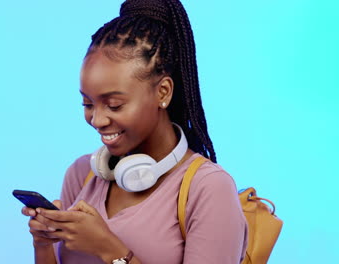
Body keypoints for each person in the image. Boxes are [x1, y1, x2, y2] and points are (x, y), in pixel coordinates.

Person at [21, 0, 248, 263]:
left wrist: (109, 248)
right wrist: (42, 244)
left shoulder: (209, 189)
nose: (97, 119)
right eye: (87, 103)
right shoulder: (82, 174)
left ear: (163, 92)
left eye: (114, 105)